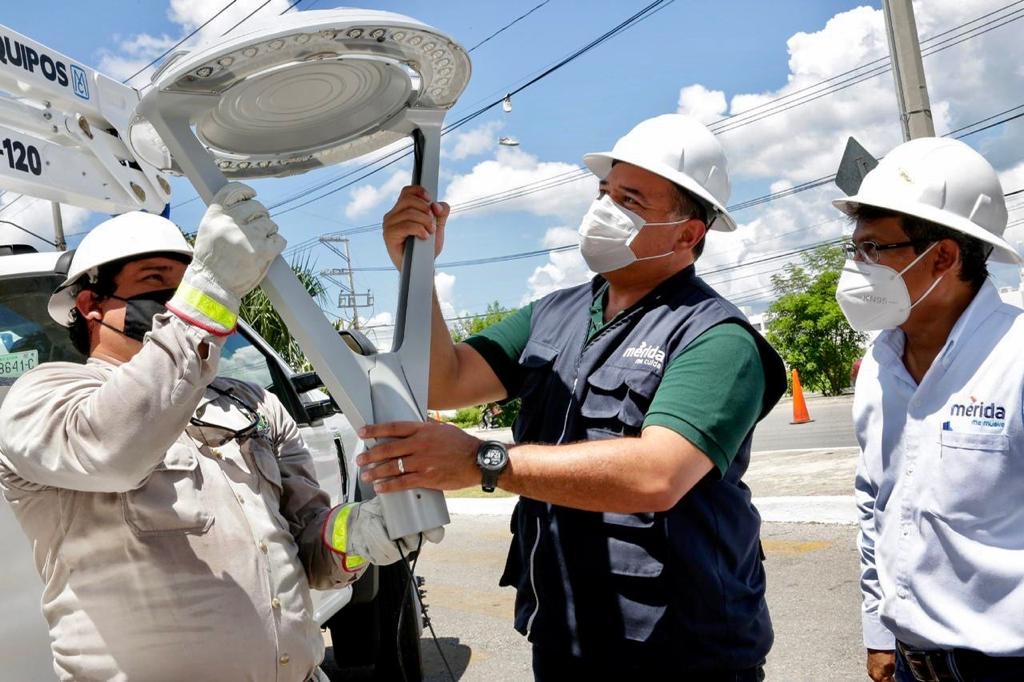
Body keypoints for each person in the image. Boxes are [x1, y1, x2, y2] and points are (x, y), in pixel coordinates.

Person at [358, 114, 787, 679]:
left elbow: (657, 475)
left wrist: (481, 461)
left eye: (630, 200)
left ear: (688, 234)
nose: (604, 209)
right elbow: (448, 380)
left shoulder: (716, 338)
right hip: (566, 637)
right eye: (604, 192)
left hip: (681, 651)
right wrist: (417, 270)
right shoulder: (554, 314)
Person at [0, 183, 434, 682]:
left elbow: (310, 549)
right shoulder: (43, 395)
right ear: (92, 303)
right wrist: (208, 295)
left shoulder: (251, 403)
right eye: (156, 279)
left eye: (188, 283)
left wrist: (362, 532)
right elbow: (112, 447)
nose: (178, 298)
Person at [833, 137, 1024, 682]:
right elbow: (875, 502)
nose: (857, 266)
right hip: (910, 662)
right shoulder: (878, 364)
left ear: (943, 256)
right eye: (855, 249)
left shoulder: (1016, 357)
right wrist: (878, 630)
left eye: (875, 249)